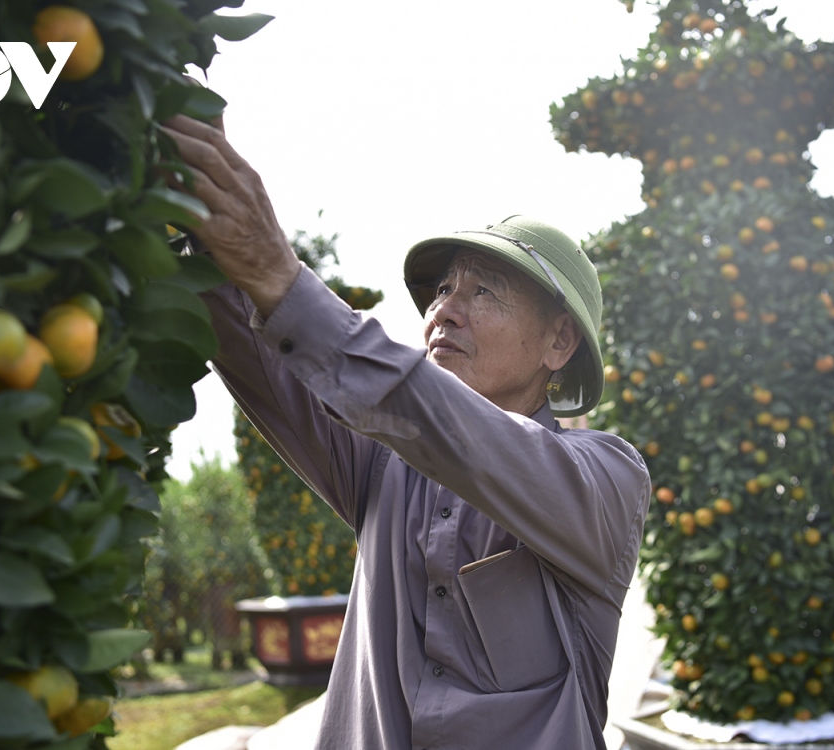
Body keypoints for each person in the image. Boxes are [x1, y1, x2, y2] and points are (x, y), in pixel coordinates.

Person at [162, 113, 651, 750]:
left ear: (559, 340)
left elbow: (454, 431)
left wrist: (281, 272)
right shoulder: (385, 465)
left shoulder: (605, 479)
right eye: (443, 290)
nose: (444, 308)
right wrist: (193, 223)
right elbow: (264, 360)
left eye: (485, 292)